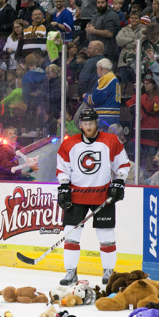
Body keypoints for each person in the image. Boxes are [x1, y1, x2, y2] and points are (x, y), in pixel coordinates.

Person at [55, 108, 130, 286]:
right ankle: (71, 272)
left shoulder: (111, 140)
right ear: (80, 125)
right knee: (71, 235)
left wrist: (119, 182)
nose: (88, 127)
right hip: (76, 195)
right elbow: (62, 167)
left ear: (96, 123)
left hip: (103, 195)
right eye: (85, 124)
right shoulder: (69, 144)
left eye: (91, 123)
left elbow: (123, 164)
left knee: (106, 235)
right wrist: (64, 186)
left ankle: (109, 272)